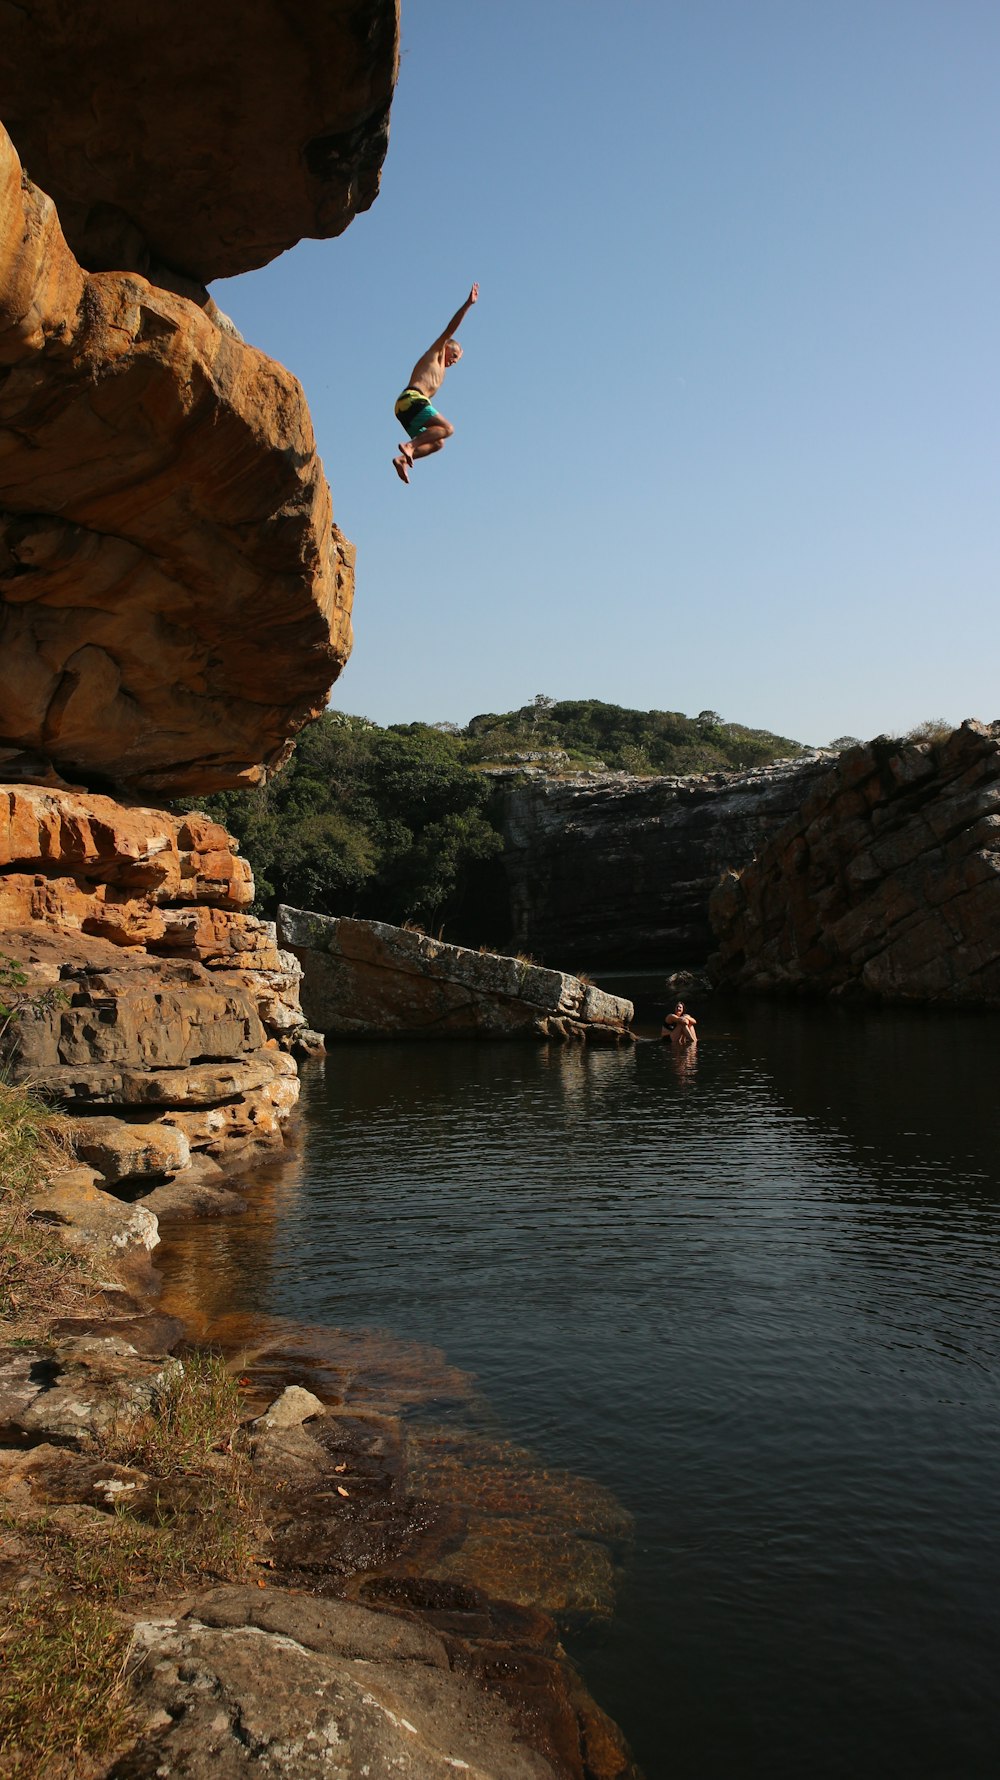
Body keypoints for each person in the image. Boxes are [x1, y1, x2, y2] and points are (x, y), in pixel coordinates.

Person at [392, 283, 478, 483]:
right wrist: (468, 305)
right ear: (446, 347)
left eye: (456, 361)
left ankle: (402, 459)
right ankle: (410, 447)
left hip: (404, 409)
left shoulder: (441, 374)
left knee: (439, 442)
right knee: (449, 429)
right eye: (453, 355)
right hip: (411, 398)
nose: (453, 361)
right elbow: (450, 329)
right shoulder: (435, 352)